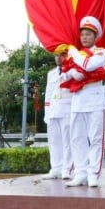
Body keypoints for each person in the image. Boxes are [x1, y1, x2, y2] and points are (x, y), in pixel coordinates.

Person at [63, 16, 105, 188]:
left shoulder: (101, 52)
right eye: (82, 34)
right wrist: (70, 74)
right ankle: (80, 173)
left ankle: (93, 174)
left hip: (95, 100)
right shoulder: (75, 55)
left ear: (95, 36)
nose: (84, 37)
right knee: (76, 138)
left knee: (95, 138)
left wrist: (73, 52)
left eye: (88, 34)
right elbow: (64, 73)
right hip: (78, 100)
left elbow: (88, 65)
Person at [41, 51, 73, 180]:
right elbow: (48, 94)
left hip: (67, 110)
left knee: (68, 141)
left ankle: (67, 169)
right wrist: (47, 113)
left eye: (62, 55)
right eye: (56, 55)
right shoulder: (51, 73)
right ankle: (56, 168)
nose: (58, 58)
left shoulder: (72, 71)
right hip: (53, 111)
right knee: (54, 142)